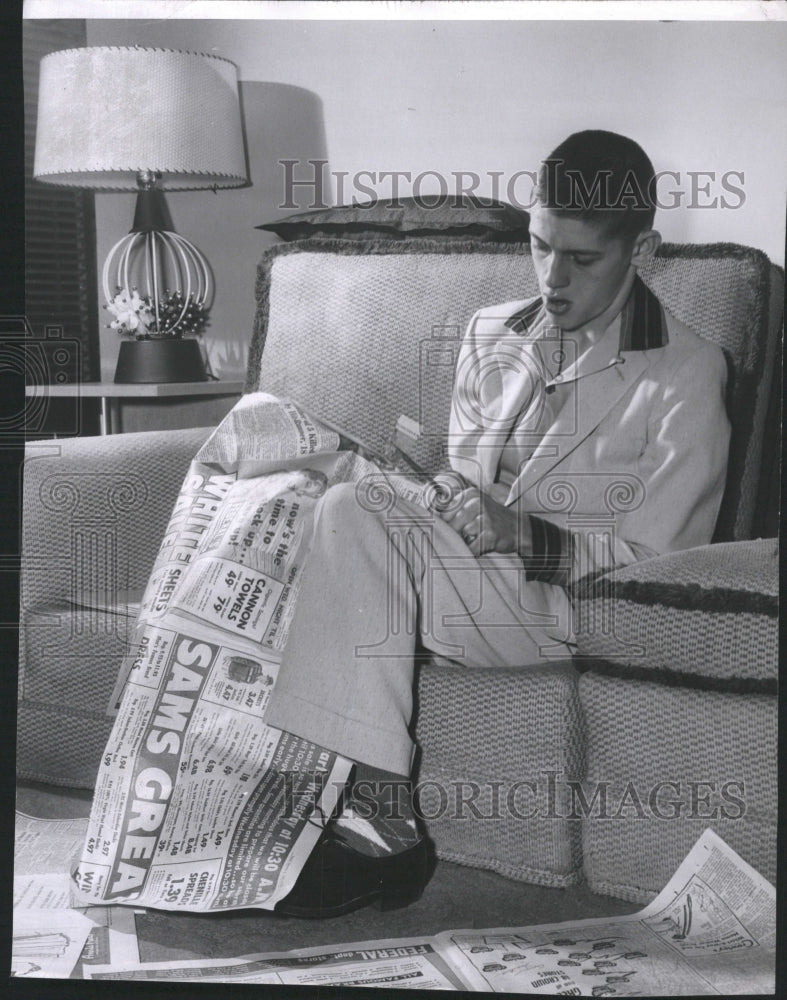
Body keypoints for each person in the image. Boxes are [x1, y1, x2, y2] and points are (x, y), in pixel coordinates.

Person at [263, 131, 731, 917]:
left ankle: (376, 829)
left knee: (351, 518)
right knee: (319, 500)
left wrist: (521, 533)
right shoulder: (489, 332)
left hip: (566, 606)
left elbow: (660, 572)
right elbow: (466, 480)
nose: (552, 278)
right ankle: (330, 818)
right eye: (539, 246)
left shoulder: (686, 369)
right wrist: (432, 487)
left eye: (581, 260)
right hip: (461, 579)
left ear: (640, 248)